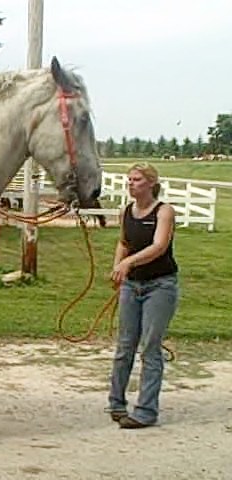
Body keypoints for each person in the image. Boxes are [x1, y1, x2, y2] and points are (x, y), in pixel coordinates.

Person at [107, 163, 179, 429]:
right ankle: (116, 403)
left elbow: (159, 246)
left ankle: (146, 411)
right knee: (124, 345)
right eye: (129, 180)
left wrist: (128, 264)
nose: (130, 184)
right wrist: (118, 267)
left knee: (150, 347)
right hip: (132, 286)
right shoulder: (127, 211)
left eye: (136, 180)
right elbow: (124, 242)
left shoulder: (164, 212)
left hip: (160, 286)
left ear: (150, 183)